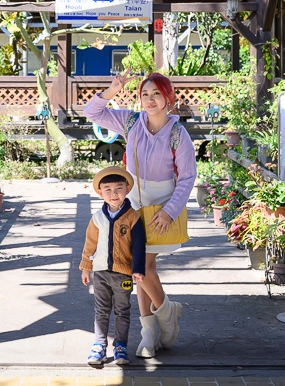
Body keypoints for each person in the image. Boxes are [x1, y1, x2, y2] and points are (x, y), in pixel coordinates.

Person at [83, 72, 197, 358]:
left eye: (156, 93)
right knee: (143, 269)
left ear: (168, 98)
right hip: (132, 205)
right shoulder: (130, 121)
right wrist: (113, 89)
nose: (150, 99)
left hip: (161, 206)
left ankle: (160, 322)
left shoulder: (177, 133)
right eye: (145, 94)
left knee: (142, 268)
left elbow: (187, 177)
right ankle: (158, 323)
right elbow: (91, 111)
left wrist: (171, 211)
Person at [79, 166, 146, 366]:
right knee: (101, 309)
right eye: (107, 189)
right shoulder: (97, 218)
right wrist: (86, 267)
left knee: (122, 310)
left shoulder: (133, 217)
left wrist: (138, 269)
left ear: (127, 189)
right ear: (100, 193)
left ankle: (121, 345)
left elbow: (139, 245)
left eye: (119, 188)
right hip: (100, 272)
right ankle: (99, 345)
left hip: (123, 274)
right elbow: (89, 243)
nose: (114, 193)